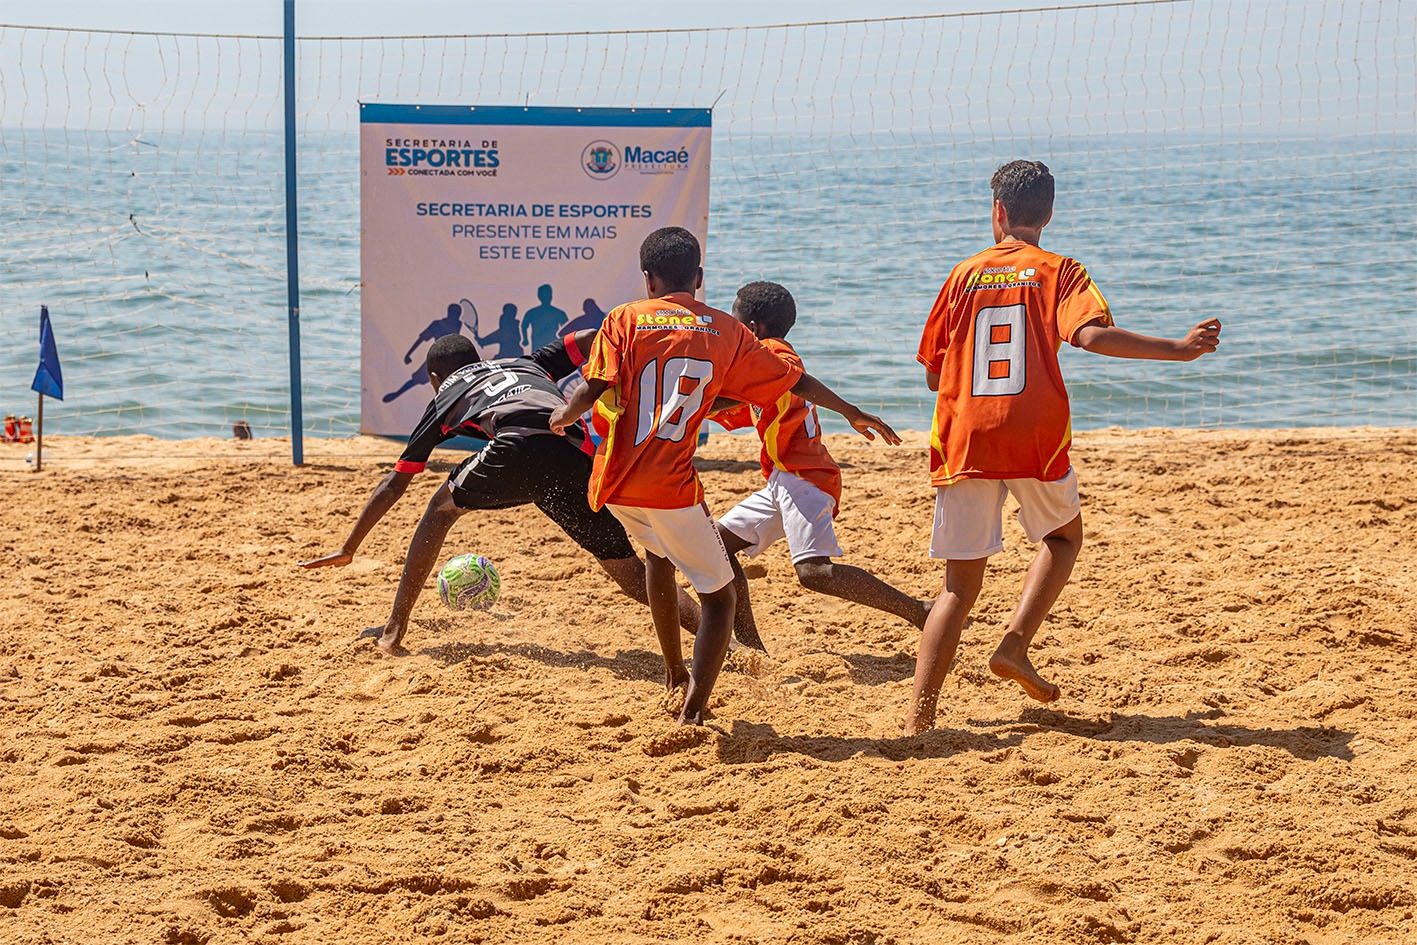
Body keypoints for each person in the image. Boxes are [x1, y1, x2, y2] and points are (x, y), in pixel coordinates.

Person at [905, 159, 1222, 734]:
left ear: (996, 212)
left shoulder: (961, 275)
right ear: (1047, 216)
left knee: (957, 588)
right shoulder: (1061, 270)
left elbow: (933, 375)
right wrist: (1178, 349)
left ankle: (919, 719)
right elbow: (1091, 336)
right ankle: (1015, 644)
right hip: (1032, 434)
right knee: (1063, 537)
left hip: (964, 437)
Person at [549, 226, 900, 726]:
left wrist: (565, 415)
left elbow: (595, 386)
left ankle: (674, 672)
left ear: (648, 279)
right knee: (720, 598)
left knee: (658, 558)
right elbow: (791, 379)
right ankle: (693, 710)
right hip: (671, 485)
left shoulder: (623, 319)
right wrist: (850, 410)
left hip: (614, 483)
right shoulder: (726, 331)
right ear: (698, 277)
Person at [300, 330, 701, 654]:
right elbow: (593, 338)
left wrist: (349, 546)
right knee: (628, 571)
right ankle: (713, 631)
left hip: (519, 445)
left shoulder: (447, 394)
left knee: (439, 509)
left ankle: (394, 628)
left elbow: (395, 483)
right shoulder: (527, 362)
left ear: (435, 379)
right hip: (575, 452)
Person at [710, 281, 932, 653]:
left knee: (814, 572)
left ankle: (920, 611)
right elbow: (729, 404)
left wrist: (850, 411)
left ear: (752, 326)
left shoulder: (773, 352)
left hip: (806, 480)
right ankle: (752, 649)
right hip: (783, 482)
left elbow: (795, 378)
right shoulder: (756, 367)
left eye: (734, 317)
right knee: (717, 547)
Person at [521, 284, 568, 353]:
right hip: (537, 344)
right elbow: (524, 326)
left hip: (553, 344)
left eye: (548, 294)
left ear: (551, 296)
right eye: (544, 295)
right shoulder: (532, 313)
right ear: (539, 296)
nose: (546, 297)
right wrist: (525, 339)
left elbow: (567, 328)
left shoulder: (558, 313)